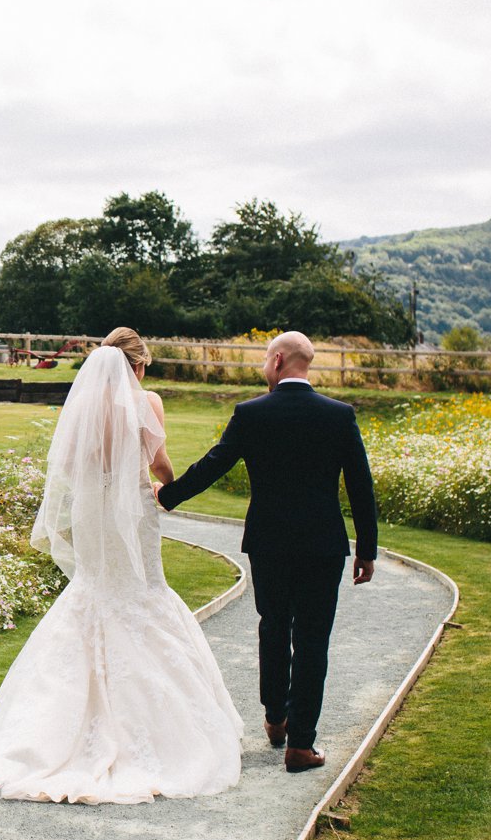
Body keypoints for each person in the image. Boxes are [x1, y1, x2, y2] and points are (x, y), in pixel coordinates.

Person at [0, 327, 242, 804]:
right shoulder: (146, 402)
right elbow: (159, 465)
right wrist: (165, 490)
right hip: (133, 512)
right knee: (143, 591)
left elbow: (67, 466)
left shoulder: (85, 407)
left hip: (95, 517)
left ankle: (48, 737)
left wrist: (101, 484)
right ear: (138, 365)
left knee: (93, 592)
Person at [156, 331, 377, 774]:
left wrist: (168, 496)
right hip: (322, 545)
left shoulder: (251, 413)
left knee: (274, 625)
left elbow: (214, 463)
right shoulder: (339, 415)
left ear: (277, 361)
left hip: (269, 542)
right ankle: (301, 745)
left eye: (264, 361)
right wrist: (366, 550)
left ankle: (275, 716)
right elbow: (360, 484)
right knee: (313, 639)